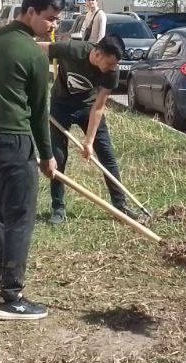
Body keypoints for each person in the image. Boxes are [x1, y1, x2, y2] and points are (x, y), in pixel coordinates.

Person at [0, 0, 63, 321]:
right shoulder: (32, 54)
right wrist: (46, 154)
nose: (54, 25)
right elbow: (40, 110)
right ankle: (11, 298)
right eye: (50, 19)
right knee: (20, 217)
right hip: (16, 141)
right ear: (31, 12)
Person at [37, 35, 135, 225]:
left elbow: (98, 107)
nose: (112, 68)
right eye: (109, 63)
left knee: (107, 156)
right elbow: (38, 48)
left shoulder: (111, 71)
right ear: (97, 54)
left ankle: (120, 205)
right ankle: (58, 208)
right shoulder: (73, 50)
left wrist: (88, 142)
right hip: (60, 106)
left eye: (115, 64)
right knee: (57, 158)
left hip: (88, 108)